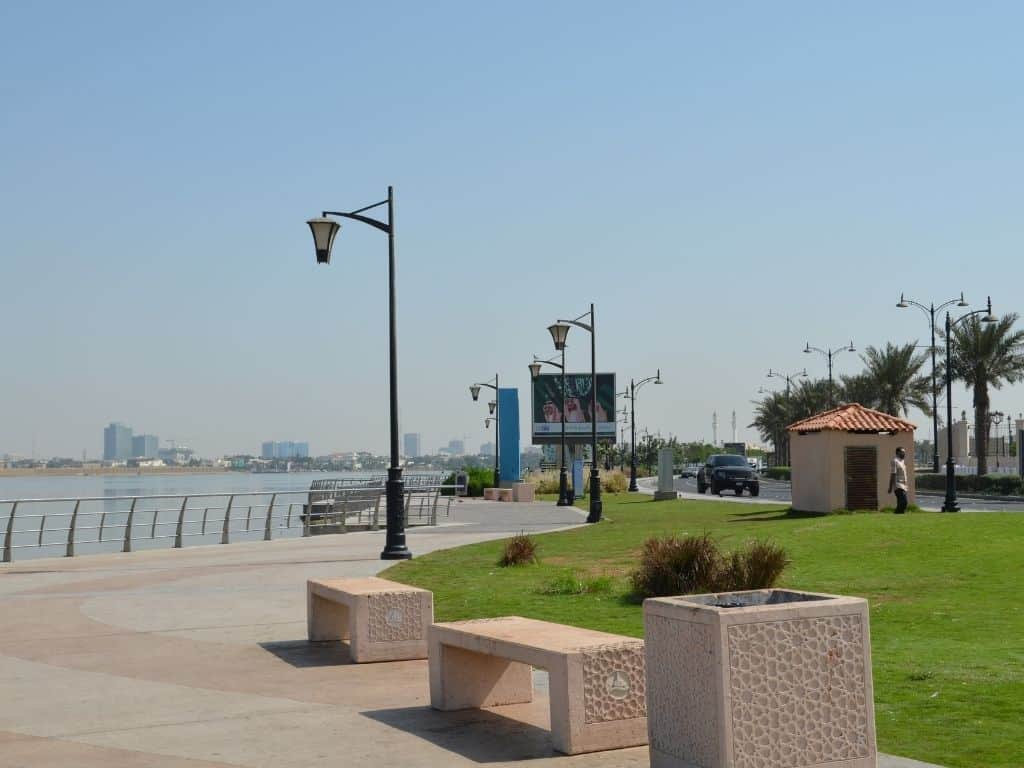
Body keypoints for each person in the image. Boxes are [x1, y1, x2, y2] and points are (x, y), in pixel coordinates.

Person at [888, 446, 908, 514]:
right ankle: (897, 513)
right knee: (904, 501)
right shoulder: (895, 461)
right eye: (902, 452)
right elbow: (893, 474)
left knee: (902, 502)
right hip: (898, 485)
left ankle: (899, 515)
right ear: (898, 453)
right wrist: (890, 487)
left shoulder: (902, 461)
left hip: (904, 486)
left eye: (904, 452)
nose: (904, 454)